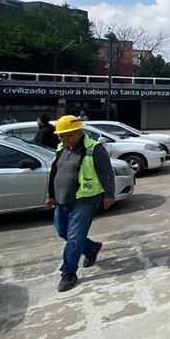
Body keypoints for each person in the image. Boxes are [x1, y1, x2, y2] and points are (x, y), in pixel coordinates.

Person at [45, 115, 115, 292]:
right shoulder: (62, 148)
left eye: (68, 135)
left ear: (79, 132)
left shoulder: (94, 149)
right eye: (61, 135)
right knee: (63, 232)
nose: (64, 138)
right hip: (62, 199)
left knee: (75, 236)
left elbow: (106, 172)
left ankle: (68, 273)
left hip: (85, 199)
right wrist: (51, 195)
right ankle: (91, 248)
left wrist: (109, 194)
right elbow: (55, 172)